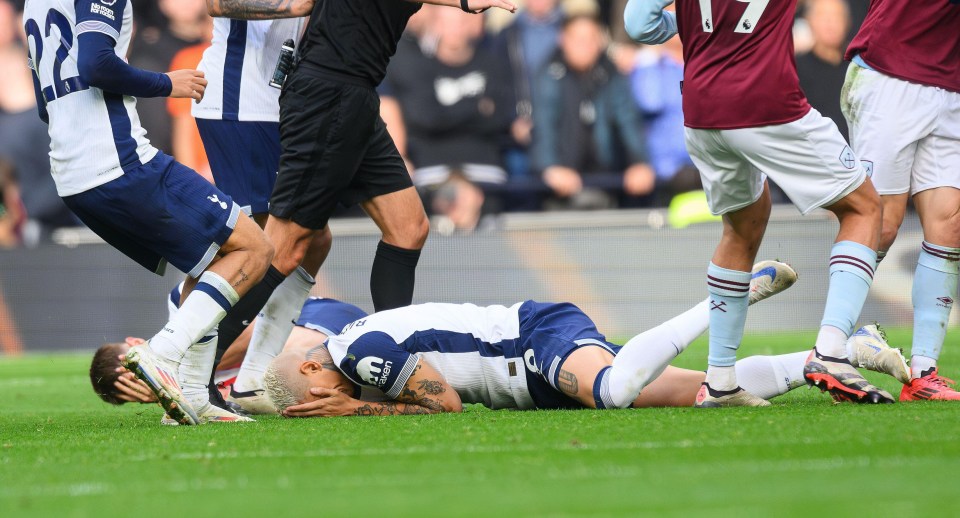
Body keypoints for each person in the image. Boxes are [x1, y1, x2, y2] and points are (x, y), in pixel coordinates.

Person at [624, 0, 889, 406]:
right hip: (764, 101)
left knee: (743, 224)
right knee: (864, 207)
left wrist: (697, 25)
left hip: (702, 110)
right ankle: (831, 351)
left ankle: (720, 381)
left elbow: (639, 24)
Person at [23, 0, 275, 425]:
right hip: (119, 161)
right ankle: (162, 354)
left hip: (72, 174)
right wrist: (166, 83)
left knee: (214, 259)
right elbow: (97, 65)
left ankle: (193, 395)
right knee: (255, 248)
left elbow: (44, 103)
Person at [204, 0, 516, 331]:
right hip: (319, 94)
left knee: (408, 228)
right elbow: (215, 4)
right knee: (282, 248)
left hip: (355, 95)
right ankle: (187, 356)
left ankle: (387, 348)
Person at [263, 262, 909, 416]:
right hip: (527, 374)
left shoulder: (356, 356)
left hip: (529, 338)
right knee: (707, 395)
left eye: (311, 397)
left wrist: (361, 407)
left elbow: (446, 405)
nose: (318, 400)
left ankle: (725, 299)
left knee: (612, 391)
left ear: (316, 376)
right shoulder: (349, 339)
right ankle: (838, 353)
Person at [193, 4, 333, 414]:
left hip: (276, 104)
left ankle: (253, 377)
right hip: (238, 103)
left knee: (313, 238)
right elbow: (219, 4)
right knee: (260, 247)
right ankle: (188, 372)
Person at [841, 2, 960, 400]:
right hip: (891, 73)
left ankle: (924, 372)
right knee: (880, 224)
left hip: (950, 83)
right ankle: (830, 352)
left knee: (952, 224)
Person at [90, 294, 367, 419]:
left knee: (288, 365)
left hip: (310, 318)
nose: (150, 378)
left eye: (141, 366)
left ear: (136, 343)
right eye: (143, 383)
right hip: (328, 346)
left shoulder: (180, 303)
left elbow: (256, 330)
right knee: (306, 393)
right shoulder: (206, 390)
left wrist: (172, 376)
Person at [532, 14, 655, 210]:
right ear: (563, 39)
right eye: (579, 39)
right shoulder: (549, 74)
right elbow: (544, 124)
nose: (585, 46)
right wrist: (550, 167)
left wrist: (639, 162)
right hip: (562, 185)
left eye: (591, 39)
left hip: (608, 180)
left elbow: (628, 120)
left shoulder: (610, 73)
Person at [794, 0, 851, 139]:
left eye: (837, 16)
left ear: (848, 22)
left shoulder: (857, 68)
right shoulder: (795, 70)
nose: (831, 24)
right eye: (823, 17)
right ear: (808, 21)